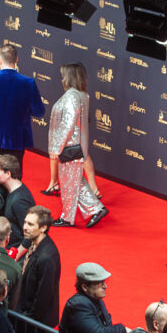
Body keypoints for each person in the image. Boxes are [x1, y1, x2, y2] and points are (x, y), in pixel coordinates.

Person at [41, 61, 106, 227]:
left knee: (69, 182)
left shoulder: (71, 95)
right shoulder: (82, 95)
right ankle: (90, 210)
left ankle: (74, 215)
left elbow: (67, 124)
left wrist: (57, 148)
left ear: (69, 77)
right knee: (74, 180)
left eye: (63, 75)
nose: (61, 78)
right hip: (76, 144)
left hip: (69, 145)